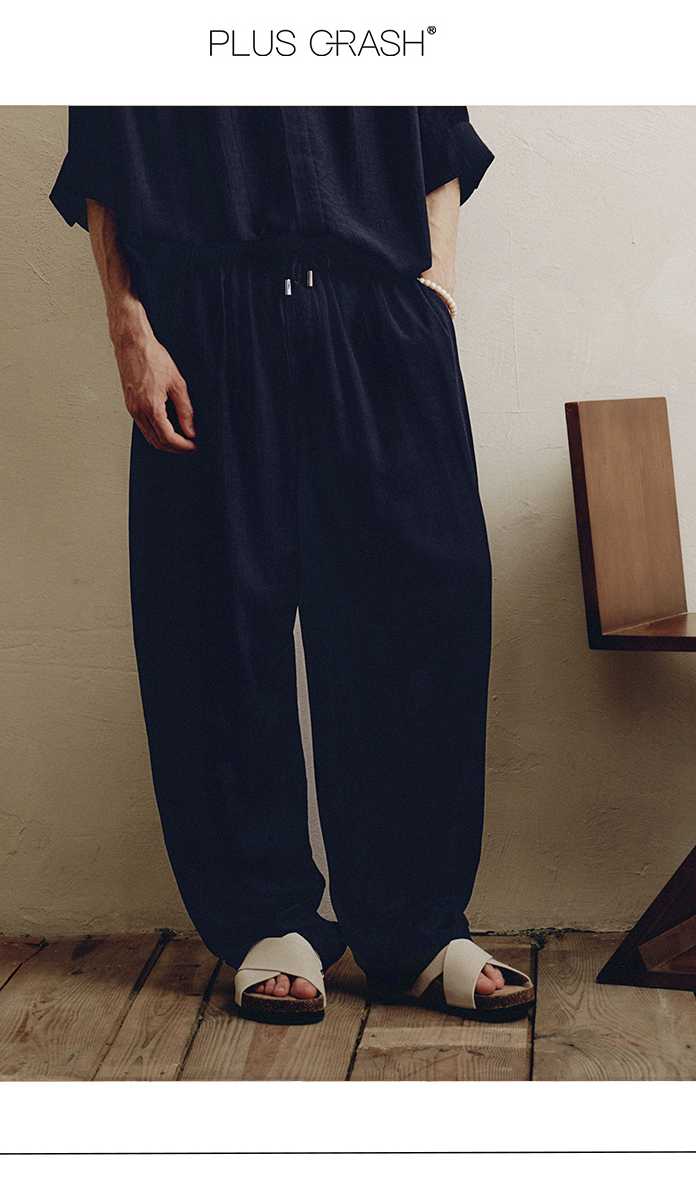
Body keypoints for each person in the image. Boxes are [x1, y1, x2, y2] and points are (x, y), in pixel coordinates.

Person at [50, 107, 534, 1025]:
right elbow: (104, 153)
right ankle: (265, 917)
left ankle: (417, 926)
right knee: (216, 628)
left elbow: (436, 134)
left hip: (380, 311)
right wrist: (129, 326)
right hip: (204, 323)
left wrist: (434, 287)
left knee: (420, 617)